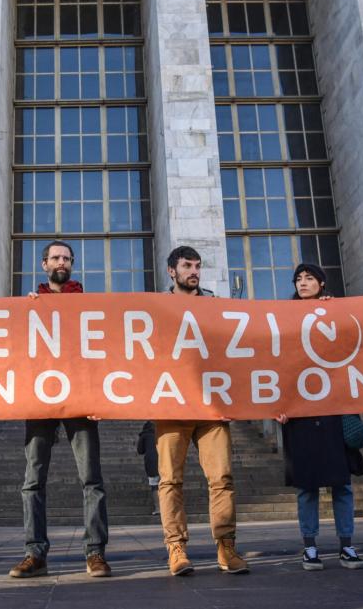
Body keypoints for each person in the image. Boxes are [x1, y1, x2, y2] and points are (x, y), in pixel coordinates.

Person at [9, 240, 111, 579]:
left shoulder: (87, 305)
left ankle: (95, 552)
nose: (62, 262)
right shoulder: (30, 305)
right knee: (33, 480)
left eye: (67, 258)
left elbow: (100, 352)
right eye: (55, 257)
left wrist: (99, 397)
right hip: (40, 397)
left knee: (91, 479)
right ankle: (34, 552)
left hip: (80, 398)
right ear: (44, 264)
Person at [154, 245, 248, 577]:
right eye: (186, 266)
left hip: (211, 405)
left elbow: (231, 354)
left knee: (221, 478)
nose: (194, 271)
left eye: (197, 266)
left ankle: (226, 546)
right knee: (170, 480)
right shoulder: (155, 309)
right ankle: (176, 548)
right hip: (170, 403)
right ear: (172, 271)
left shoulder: (215, 308)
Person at [278, 263, 363, 571]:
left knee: (342, 484)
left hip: (333, 410)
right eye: (298, 279)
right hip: (300, 414)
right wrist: (279, 404)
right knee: (307, 485)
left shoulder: (335, 311)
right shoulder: (285, 318)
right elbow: (278, 362)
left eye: (309, 278)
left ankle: (347, 545)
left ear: (322, 283)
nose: (302, 283)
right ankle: (310, 547)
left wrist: (336, 310)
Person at [136, 421, 160, 515]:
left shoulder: (145, 435)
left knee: (155, 486)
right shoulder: (160, 434)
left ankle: (158, 508)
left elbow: (140, 450)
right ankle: (169, 508)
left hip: (151, 463)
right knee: (166, 484)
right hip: (164, 460)